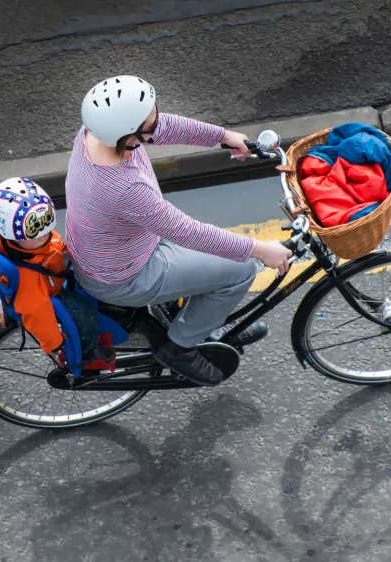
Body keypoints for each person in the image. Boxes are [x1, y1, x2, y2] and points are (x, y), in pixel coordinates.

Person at [64, 75, 292, 387]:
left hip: (113, 249)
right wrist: (262, 250)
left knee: (217, 256)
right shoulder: (123, 187)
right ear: (129, 136)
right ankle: (180, 347)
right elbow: (188, 232)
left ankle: (205, 323)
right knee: (240, 269)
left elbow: (162, 127)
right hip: (125, 276)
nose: (157, 124)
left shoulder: (96, 133)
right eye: (148, 125)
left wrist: (222, 136)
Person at [0, 176, 115, 371]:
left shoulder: (26, 243)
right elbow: (37, 313)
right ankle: (88, 353)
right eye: (36, 234)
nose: (44, 236)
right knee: (83, 312)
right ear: (8, 234)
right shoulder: (28, 279)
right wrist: (54, 344)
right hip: (53, 289)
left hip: (52, 273)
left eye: (47, 230)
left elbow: (49, 244)